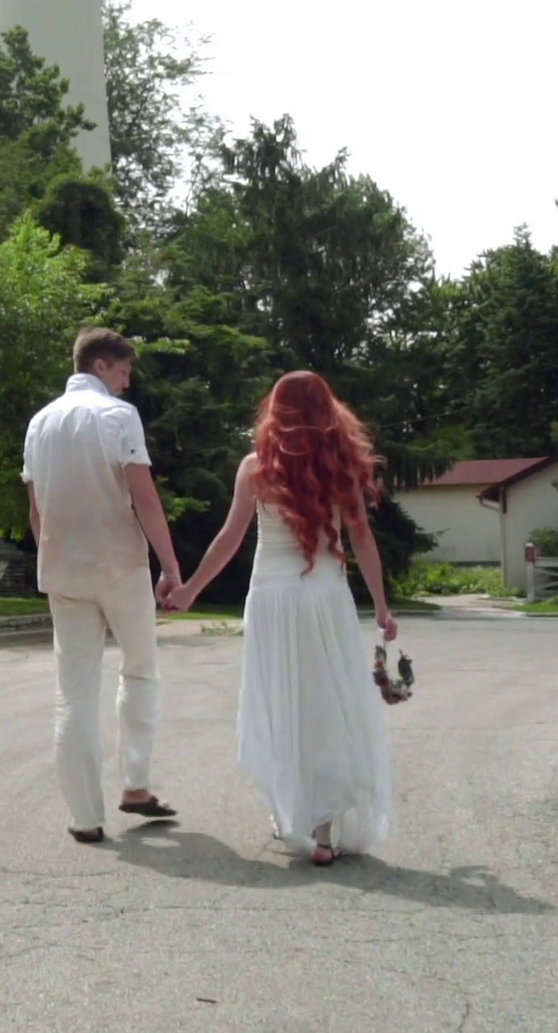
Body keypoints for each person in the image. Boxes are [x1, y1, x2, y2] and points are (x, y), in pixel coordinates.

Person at [167, 371, 395, 866]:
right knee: (326, 707)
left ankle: (292, 812)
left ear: (275, 410)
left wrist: (190, 590)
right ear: (328, 410)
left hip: (271, 597)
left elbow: (229, 538)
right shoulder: (341, 466)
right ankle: (322, 832)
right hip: (324, 597)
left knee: (282, 704)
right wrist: (380, 604)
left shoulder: (255, 467)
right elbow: (362, 540)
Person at [22, 327, 183, 845]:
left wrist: (51, 554)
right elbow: (145, 497)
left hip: (63, 571)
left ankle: (85, 816)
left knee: (74, 691)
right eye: (122, 371)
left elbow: (35, 509)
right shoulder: (117, 417)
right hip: (120, 564)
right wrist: (171, 566)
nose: (126, 382)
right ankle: (135, 784)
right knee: (139, 670)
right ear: (99, 367)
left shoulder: (39, 423)